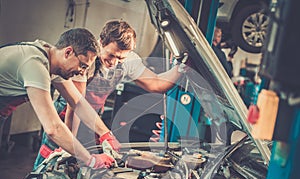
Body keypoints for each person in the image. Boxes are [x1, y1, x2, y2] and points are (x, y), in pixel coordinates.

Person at [33, 19, 187, 170]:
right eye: (111, 55)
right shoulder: (86, 58)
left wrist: (180, 68)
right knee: (51, 161)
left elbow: (156, 84)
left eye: (120, 58)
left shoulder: (129, 61)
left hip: (93, 118)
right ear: (101, 43)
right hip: (67, 115)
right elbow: (76, 104)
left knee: (85, 165)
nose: (114, 62)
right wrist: (69, 142)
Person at [0, 28, 118, 170]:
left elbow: (78, 103)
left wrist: (106, 134)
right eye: (83, 65)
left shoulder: (50, 58)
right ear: (68, 52)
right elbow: (53, 128)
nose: (82, 72)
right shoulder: (35, 66)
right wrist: (91, 160)